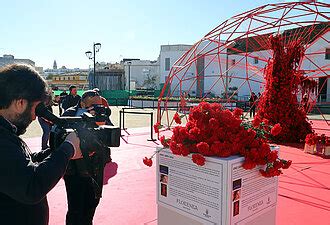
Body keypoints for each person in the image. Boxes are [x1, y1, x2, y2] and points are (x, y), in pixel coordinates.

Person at [0, 64, 82, 225]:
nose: (33, 118)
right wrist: (68, 149)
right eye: (36, 109)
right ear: (20, 103)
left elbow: (20, 165)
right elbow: (31, 186)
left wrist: (53, 151)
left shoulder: (6, 130)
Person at [62, 90, 111, 225]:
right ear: (83, 103)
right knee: (75, 208)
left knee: (92, 204)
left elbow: (111, 136)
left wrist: (101, 123)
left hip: (95, 167)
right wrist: (85, 122)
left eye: (99, 104)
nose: (97, 107)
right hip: (74, 170)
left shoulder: (101, 114)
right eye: (93, 105)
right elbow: (61, 136)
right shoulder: (70, 113)